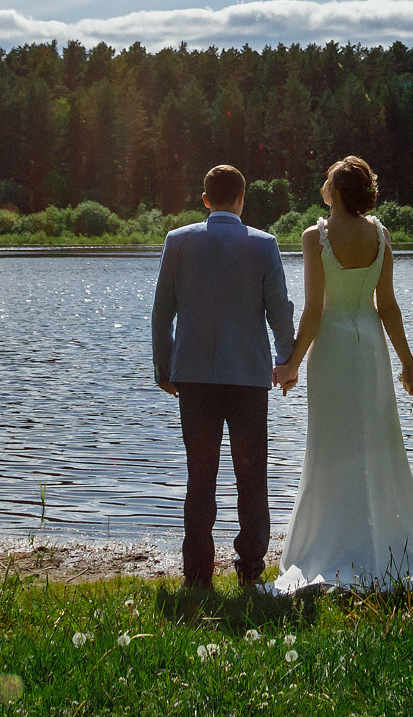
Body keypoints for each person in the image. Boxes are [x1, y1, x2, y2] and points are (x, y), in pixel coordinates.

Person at [268, 156, 413, 593]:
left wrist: (291, 365)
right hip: (372, 348)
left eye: (327, 182)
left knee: (330, 442)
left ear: (335, 191)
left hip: (334, 350)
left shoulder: (314, 237)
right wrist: (408, 365)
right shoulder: (380, 234)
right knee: (377, 441)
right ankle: (382, 541)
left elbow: (314, 312)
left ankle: (333, 543)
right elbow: (388, 307)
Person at [150, 163, 298, 590]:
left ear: (205, 200)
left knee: (201, 475)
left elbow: (162, 313)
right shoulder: (264, 244)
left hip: (193, 377)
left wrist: (165, 367)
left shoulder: (177, 242)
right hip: (249, 378)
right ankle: (250, 568)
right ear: (242, 199)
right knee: (252, 475)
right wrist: (286, 360)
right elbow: (280, 311)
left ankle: (197, 574)